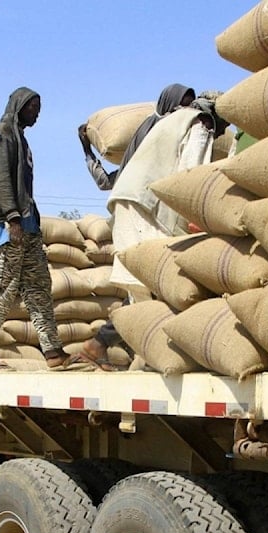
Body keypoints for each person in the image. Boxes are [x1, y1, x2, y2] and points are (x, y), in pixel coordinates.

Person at [78, 94, 223, 371]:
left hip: (127, 206)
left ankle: (104, 347)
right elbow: (190, 175)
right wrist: (198, 218)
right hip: (145, 209)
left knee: (140, 289)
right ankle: (135, 354)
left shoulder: (166, 123)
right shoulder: (201, 123)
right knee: (161, 286)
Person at [0, 87, 71, 371]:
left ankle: (52, 350)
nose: (37, 114)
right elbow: (0, 177)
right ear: (19, 106)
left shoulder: (20, 138)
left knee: (38, 287)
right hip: (8, 225)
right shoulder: (1, 133)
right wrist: (12, 217)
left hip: (26, 223)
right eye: (33, 108)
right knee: (1, 288)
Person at [77, 83, 196, 191]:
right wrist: (87, 151)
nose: (185, 113)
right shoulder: (147, 137)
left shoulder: (194, 139)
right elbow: (105, 182)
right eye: (181, 108)